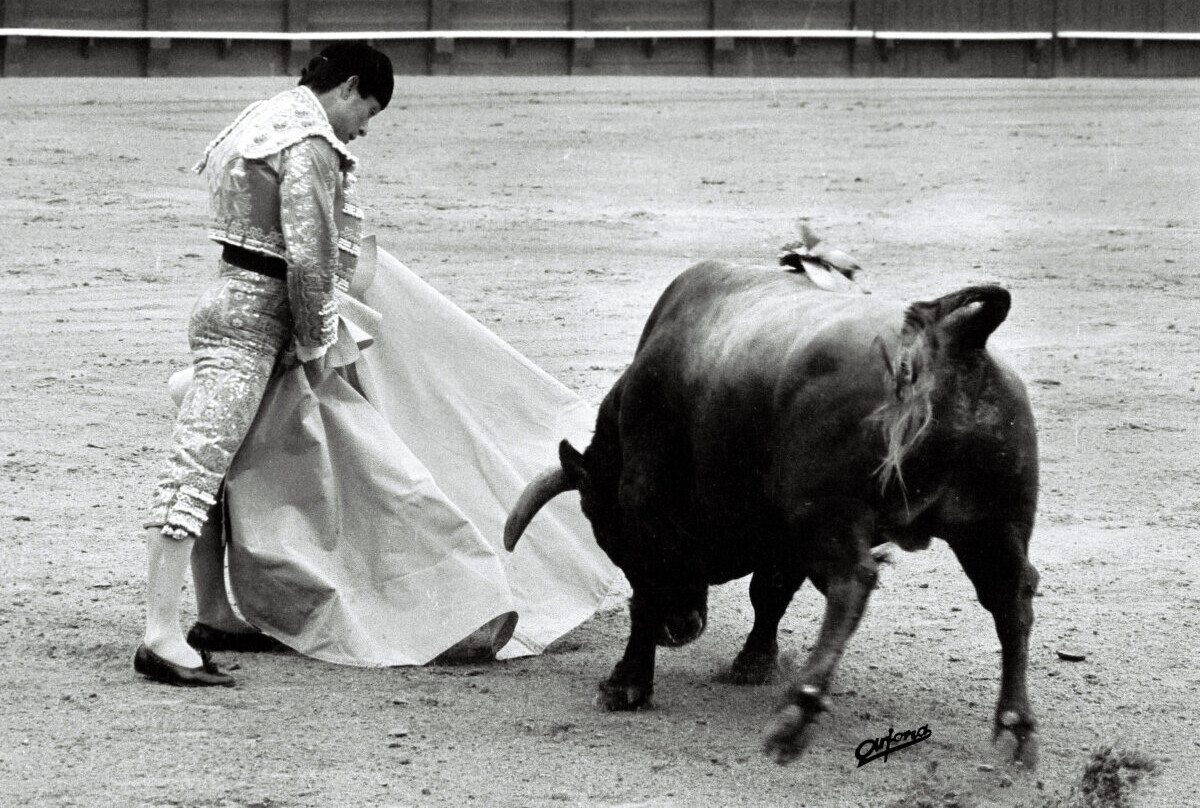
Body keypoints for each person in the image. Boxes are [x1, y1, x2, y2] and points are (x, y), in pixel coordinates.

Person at [134, 41, 395, 686]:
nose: (363, 128)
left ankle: (214, 614)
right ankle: (160, 636)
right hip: (255, 321)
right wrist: (315, 340)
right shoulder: (309, 142)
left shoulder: (263, 116)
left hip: (229, 298)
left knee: (214, 463)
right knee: (197, 466)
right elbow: (309, 260)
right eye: (368, 110)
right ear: (349, 87)